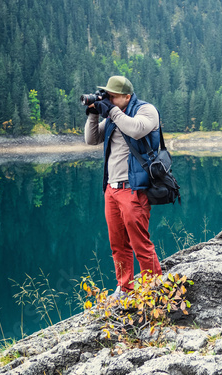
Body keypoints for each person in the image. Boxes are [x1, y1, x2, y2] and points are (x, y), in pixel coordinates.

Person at [84, 75, 162, 298]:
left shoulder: (146, 111)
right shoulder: (111, 116)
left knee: (140, 242)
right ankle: (125, 286)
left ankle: (153, 287)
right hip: (112, 189)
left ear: (127, 96)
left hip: (134, 188)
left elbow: (136, 130)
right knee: (117, 243)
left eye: (113, 96)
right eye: (106, 95)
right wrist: (93, 114)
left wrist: (112, 112)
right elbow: (91, 139)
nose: (108, 99)